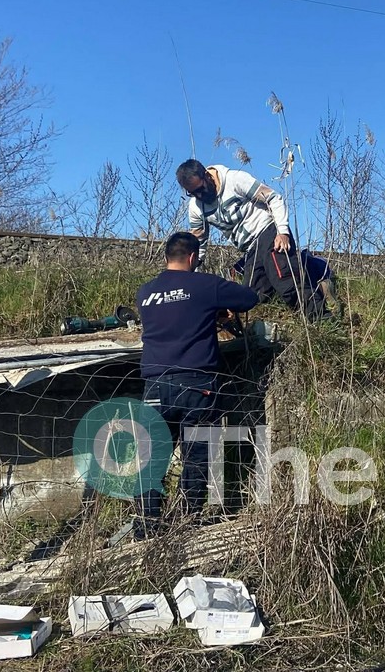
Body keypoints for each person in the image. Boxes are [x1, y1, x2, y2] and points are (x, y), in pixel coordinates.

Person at [135, 232, 260, 536]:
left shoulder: (145, 293)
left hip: (154, 384)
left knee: (152, 459)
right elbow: (249, 298)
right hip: (196, 384)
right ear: (192, 258)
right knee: (196, 456)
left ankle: (146, 528)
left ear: (167, 257)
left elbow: (175, 315)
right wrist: (216, 309)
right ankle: (188, 525)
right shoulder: (204, 284)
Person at [176, 158, 327, 321]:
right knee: (252, 297)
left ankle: (320, 317)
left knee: (286, 280)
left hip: (269, 231)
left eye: (200, 189)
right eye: (192, 193)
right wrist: (189, 273)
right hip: (250, 249)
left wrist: (282, 232)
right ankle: (305, 265)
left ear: (207, 176)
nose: (199, 195)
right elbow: (199, 241)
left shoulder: (235, 180)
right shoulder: (196, 207)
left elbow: (274, 198)